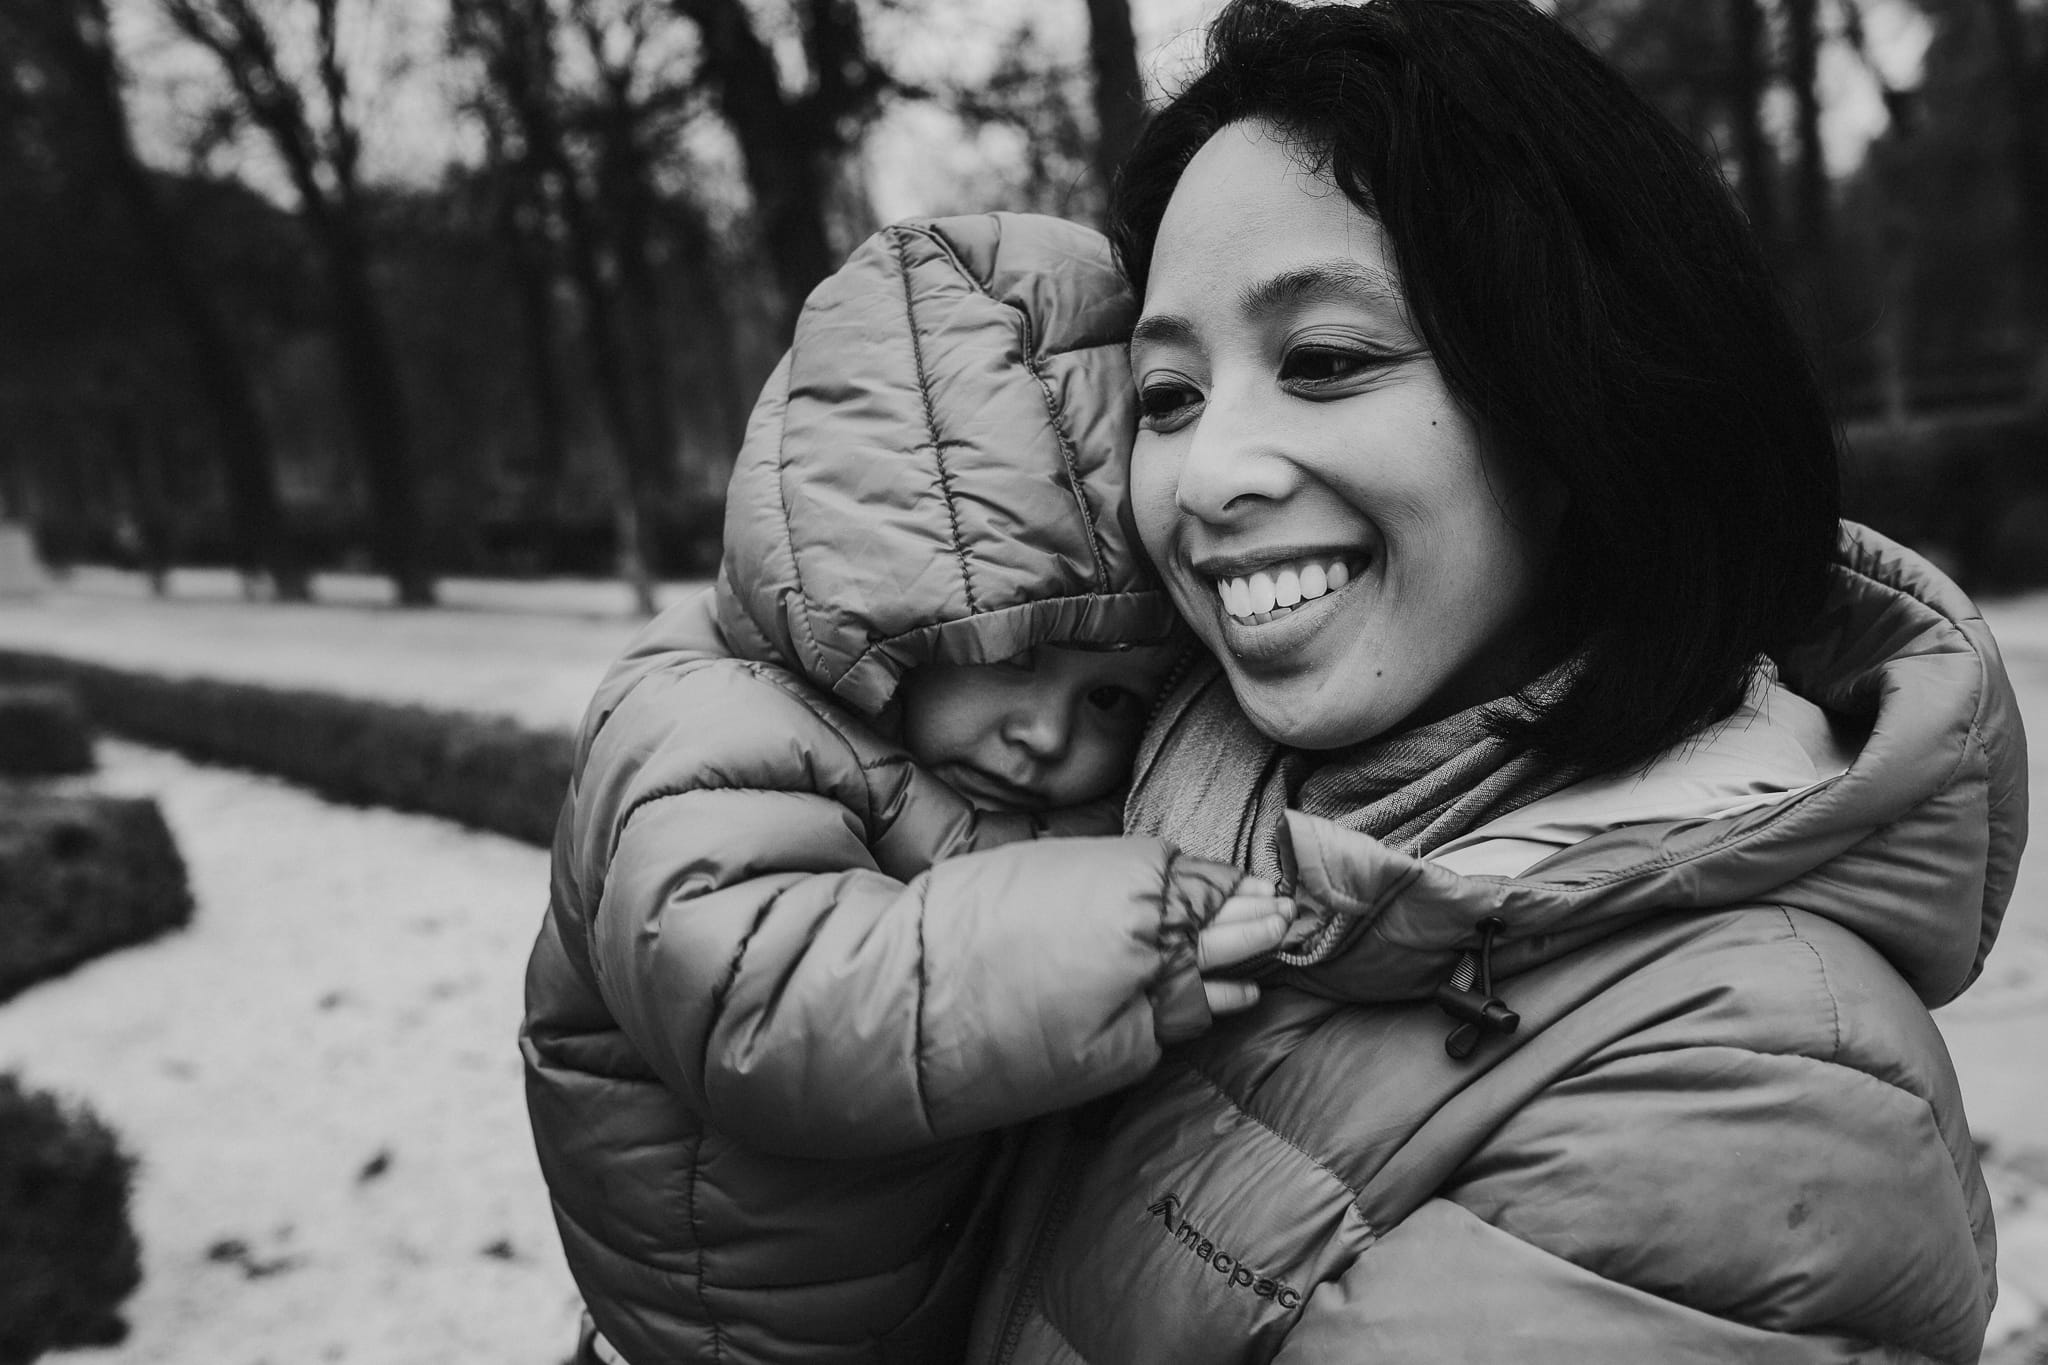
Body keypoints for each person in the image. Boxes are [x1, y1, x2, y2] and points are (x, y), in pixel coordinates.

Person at [965, 2, 2027, 1359]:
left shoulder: (1753, 1096)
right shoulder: (1121, 819)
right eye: (1168, 395)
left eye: (1327, 360)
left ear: (1579, 397)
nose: (1208, 474)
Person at [521, 212, 1292, 1365]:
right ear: (877, 593)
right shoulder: (701, 724)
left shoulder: (945, 747)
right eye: (1015, 654)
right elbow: (766, 999)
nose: (1044, 735)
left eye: (1113, 700)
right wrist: (1129, 937)